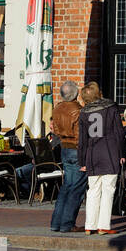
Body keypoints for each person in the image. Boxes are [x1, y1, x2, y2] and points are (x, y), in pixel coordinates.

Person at [77, 81, 124, 234]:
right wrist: (123, 153)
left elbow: (82, 140)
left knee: (93, 191)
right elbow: (118, 133)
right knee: (108, 189)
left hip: (92, 153)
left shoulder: (83, 112)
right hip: (110, 151)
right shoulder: (110, 108)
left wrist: (82, 161)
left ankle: (89, 226)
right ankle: (103, 225)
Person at [51, 81, 87, 232]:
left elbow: (56, 131)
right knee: (76, 188)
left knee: (67, 186)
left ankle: (56, 223)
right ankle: (67, 223)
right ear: (76, 94)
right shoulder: (79, 110)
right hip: (76, 150)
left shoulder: (57, 108)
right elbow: (81, 136)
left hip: (65, 147)